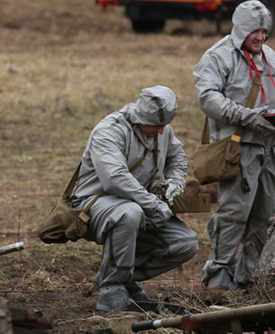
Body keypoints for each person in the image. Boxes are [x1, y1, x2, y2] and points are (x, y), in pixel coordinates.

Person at [193, 0, 275, 290]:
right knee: (235, 211)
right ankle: (218, 272)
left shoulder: (267, 53)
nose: (260, 37)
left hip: (269, 145)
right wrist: (245, 116)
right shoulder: (218, 57)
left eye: (264, 31)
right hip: (238, 146)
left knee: (267, 213)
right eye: (254, 31)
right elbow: (207, 97)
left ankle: (249, 273)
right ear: (241, 28)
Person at [71, 86, 199, 311]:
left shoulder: (162, 130)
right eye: (157, 125)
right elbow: (115, 179)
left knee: (185, 243)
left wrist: (175, 184)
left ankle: (118, 274)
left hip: (140, 204)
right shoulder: (109, 131)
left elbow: (177, 157)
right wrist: (152, 204)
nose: (162, 131)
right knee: (130, 213)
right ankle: (112, 287)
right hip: (93, 205)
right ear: (140, 118)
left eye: (165, 125)